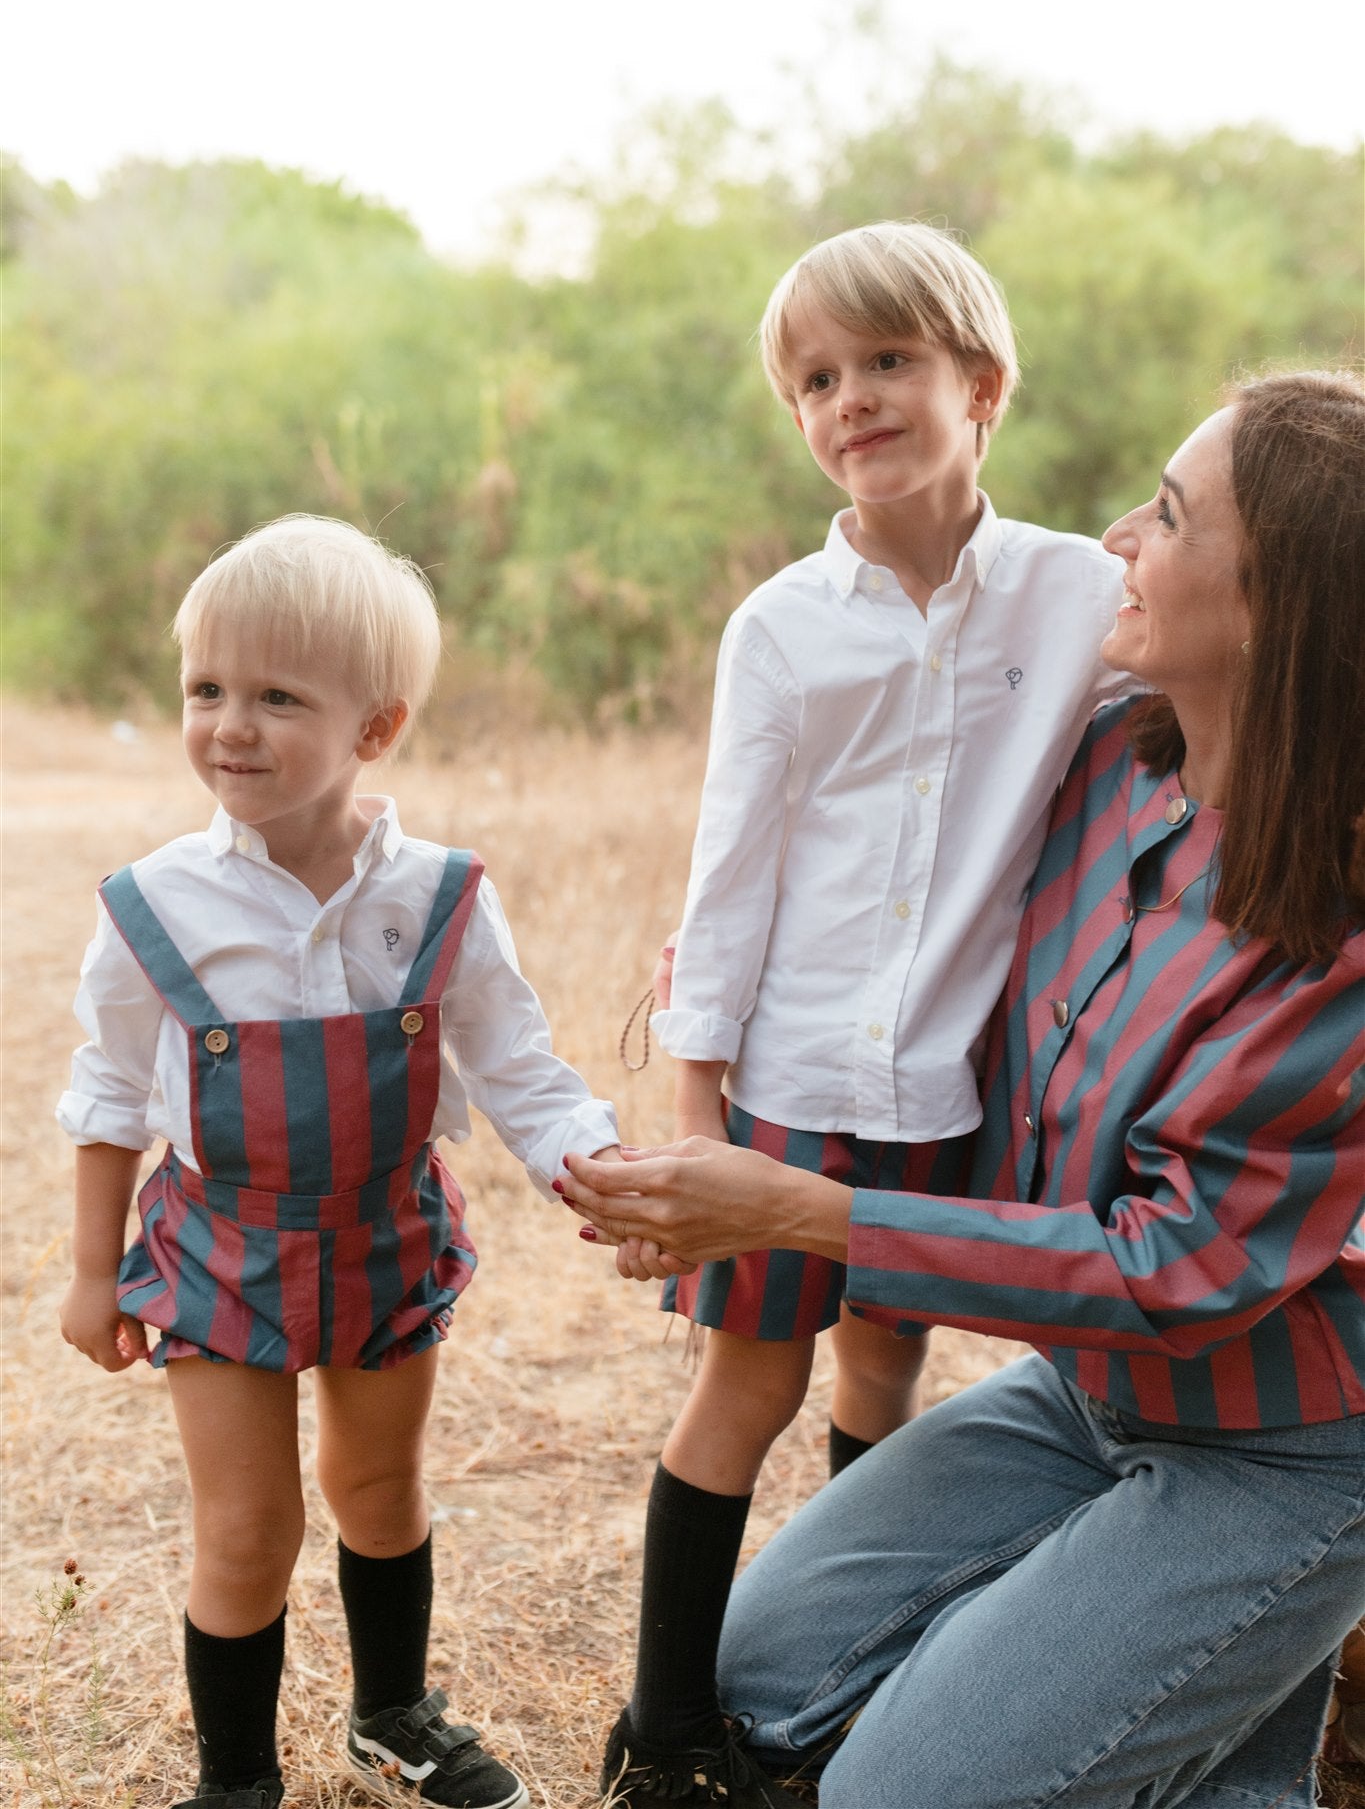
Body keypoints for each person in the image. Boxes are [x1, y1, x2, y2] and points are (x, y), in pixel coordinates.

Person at [566, 370, 1365, 1809]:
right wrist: (729, 1029)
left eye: (1168, 516)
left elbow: (1168, 1270)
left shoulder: (1337, 935)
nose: (1117, 534)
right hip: (1084, 1399)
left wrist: (808, 1212)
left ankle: (1253, 1663)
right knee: (750, 1680)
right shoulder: (1106, 782)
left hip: (1282, 1447)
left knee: (894, 1795)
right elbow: (884, 899)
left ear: (1272, 611)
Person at [601, 221, 1129, 1805]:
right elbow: (730, 875)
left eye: (886, 361)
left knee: (887, 1368)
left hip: (956, 1087)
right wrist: (695, 1130)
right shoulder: (781, 628)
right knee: (747, 1386)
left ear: (982, 382)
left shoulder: (1078, 594)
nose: (850, 400)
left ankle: (861, 1662)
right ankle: (670, 1728)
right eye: (816, 381)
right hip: (793, 1073)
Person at [56, 516, 624, 1809]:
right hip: (219, 1251)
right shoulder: (155, 905)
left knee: (378, 1486)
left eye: (275, 696)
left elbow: (520, 1071)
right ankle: (237, 1779)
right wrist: (93, 1273)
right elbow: (104, 1098)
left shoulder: (437, 899)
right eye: (205, 690)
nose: (227, 726)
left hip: (385, 1238)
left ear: (376, 729)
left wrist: (593, 1167)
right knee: (248, 1529)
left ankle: (393, 1715)